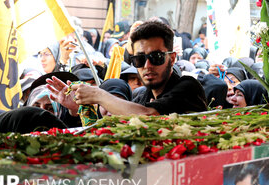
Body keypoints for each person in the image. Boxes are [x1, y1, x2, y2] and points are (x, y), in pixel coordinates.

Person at [47, 21, 207, 116]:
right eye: (139, 59)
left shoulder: (188, 87)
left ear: (172, 59)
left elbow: (149, 115)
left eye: (156, 57)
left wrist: (97, 94)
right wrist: (78, 107)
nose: (147, 66)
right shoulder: (141, 97)